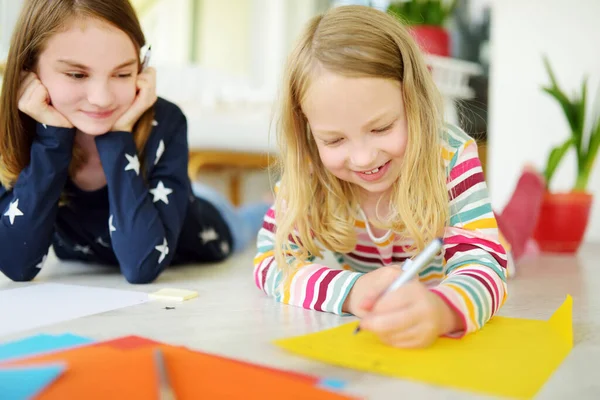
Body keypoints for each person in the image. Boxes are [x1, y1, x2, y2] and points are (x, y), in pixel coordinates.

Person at [254, 5, 519, 349]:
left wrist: (443, 309)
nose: (364, 158)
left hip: (476, 237)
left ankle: (517, 210)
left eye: (381, 128)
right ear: (307, 130)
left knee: (508, 244)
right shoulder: (309, 165)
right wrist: (351, 291)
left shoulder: (451, 154)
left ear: (415, 102)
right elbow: (272, 261)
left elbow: (483, 263)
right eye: (334, 140)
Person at [0, 0, 269, 284]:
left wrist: (118, 136)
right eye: (77, 75)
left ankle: (268, 205)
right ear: (27, 71)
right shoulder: (17, 131)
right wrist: (52, 140)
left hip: (204, 219)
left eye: (122, 73)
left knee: (250, 222)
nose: (102, 98)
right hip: (166, 192)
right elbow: (18, 264)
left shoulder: (166, 121)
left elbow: (142, 266)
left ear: (142, 71)